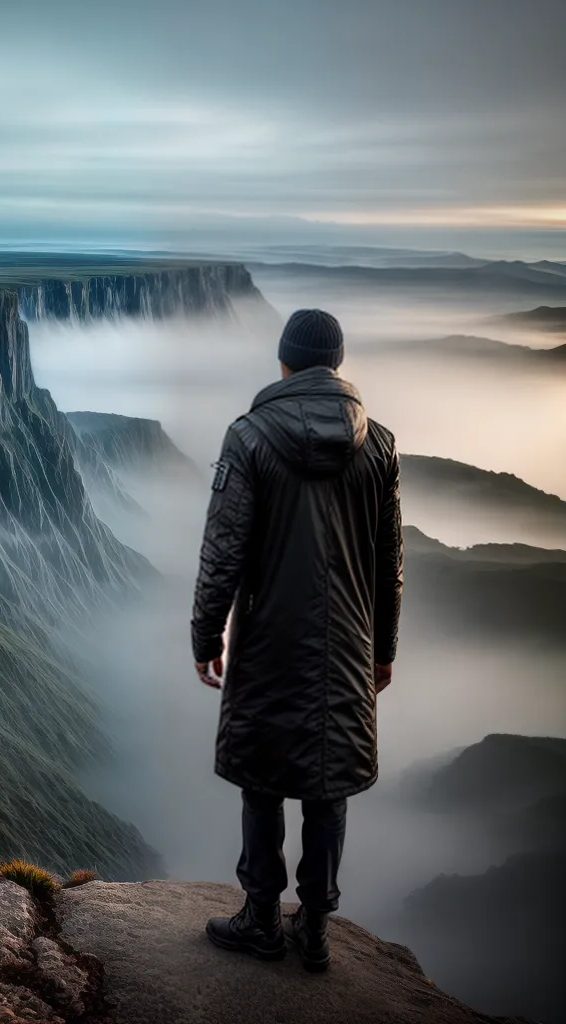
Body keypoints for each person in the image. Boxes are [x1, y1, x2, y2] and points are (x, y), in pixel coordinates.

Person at [190, 308, 403, 972]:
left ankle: (261, 916)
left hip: (267, 640)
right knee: (326, 780)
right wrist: (384, 649)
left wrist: (205, 634)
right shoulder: (380, 446)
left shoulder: (249, 439)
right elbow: (388, 562)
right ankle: (313, 927)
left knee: (262, 776)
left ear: (283, 363)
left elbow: (222, 553)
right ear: (336, 365)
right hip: (346, 641)